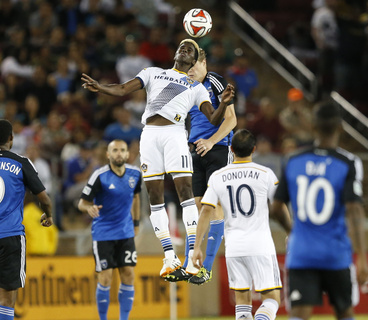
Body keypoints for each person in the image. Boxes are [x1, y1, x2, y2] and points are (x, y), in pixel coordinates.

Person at [82, 39, 235, 278]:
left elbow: (213, 119)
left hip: (175, 134)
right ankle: (169, 257)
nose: (184, 50)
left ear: (194, 60)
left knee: (186, 193)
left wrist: (223, 104)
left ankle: (193, 259)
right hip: (149, 136)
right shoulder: (153, 73)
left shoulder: (196, 87)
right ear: (175, 53)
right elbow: (123, 89)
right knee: (154, 196)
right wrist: (101, 87)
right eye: (182, 47)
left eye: (190, 50)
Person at [271, 102, 368, 320]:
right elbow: (354, 212)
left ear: (313, 126)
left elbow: (276, 207)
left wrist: (292, 230)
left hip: (302, 253)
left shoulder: (293, 160)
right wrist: (362, 258)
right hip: (336, 253)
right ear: (340, 128)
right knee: (344, 313)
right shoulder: (348, 162)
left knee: (299, 314)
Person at [192, 129, 291, 320]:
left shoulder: (218, 176)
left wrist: (197, 247)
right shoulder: (266, 174)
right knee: (272, 299)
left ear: (231, 149)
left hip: (234, 248)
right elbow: (279, 207)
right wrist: (290, 232)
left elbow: (205, 210)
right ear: (254, 149)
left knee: (242, 303)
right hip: (260, 245)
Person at [0, 119, 53, 320]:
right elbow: (44, 198)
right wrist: (48, 214)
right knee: (8, 300)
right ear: (12, 138)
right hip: (10, 236)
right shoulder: (21, 162)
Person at [165, 48, 237, 283]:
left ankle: (206, 267)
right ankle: (189, 265)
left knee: (212, 206)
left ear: (204, 63)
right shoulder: (186, 85)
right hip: (196, 151)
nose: (191, 69)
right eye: (188, 65)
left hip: (218, 149)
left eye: (195, 65)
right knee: (195, 209)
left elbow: (232, 119)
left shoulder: (216, 81)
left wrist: (211, 140)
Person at [77, 139, 141, 320]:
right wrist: (88, 208)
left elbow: (136, 198)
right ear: (108, 154)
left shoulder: (135, 174)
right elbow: (81, 203)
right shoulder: (99, 175)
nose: (119, 153)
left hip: (125, 231)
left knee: (128, 274)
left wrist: (136, 223)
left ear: (128, 154)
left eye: (122, 150)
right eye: (115, 151)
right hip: (103, 233)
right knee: (105, 277)